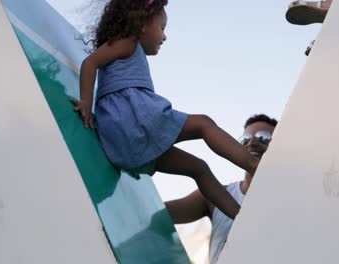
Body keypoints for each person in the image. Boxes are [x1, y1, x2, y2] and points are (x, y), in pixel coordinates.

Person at [69, 0, 259, 220]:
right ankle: (255, 166)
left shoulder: (129, 49)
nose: (165, 36)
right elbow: (90, 63)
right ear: (141, 24)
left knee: (199, 168)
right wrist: (86, 101)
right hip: (134, 122)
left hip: (123, 144)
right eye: (162, 28)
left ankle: (241, 217)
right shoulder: (127, 42)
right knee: (204, 124)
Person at [165, 114, 277, 264]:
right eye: (245, 138)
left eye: (263, 137)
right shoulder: (215, 195)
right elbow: (159, 215)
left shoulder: (289, 199)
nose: (251, 143)